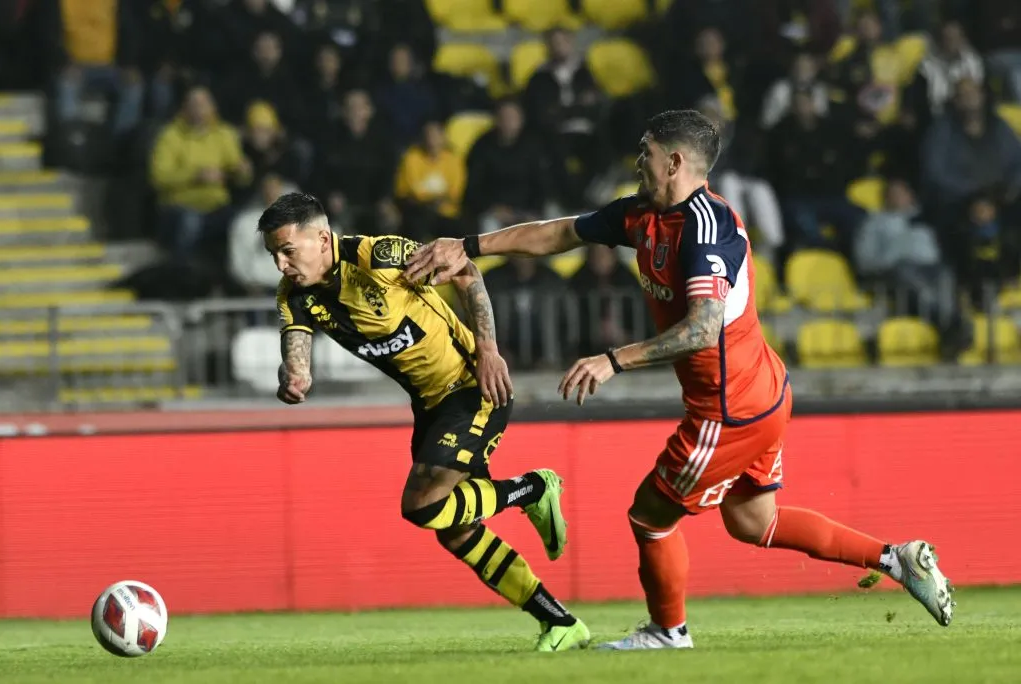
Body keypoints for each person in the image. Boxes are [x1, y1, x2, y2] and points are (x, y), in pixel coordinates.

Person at [404, 110, 955, 650]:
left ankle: (669, 632)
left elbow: (702, 328)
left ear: (673, 162)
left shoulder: (706, 228)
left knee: (650, 514)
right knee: (753, 521)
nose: (635, 161)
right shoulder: (642, 213)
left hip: (729, 407)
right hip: (760, 394)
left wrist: (612, 360)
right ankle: (897, 559)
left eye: (644, 152)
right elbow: (559, 234)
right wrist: (468, 246)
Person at [258, 192, 590, 652]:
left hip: (472, 385)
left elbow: (467, 273)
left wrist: (489, 351)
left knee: (422, 504)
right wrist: (293, 378)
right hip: (430, 406)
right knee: (454, 529)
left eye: (288, 251)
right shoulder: (294, 295)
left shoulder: (382, 256)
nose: (280, 264)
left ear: (321, 238)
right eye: (274, 254)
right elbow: (297, 357)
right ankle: (560, 622)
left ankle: (534, 489)